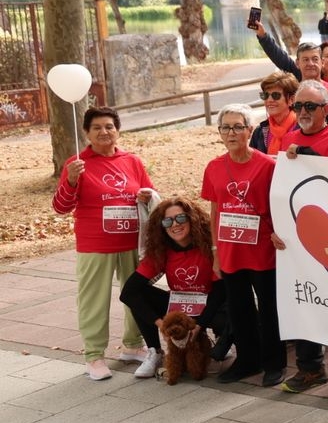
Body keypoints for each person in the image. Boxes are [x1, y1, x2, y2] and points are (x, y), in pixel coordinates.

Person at [52, 107, 155, 380]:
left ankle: (134, 344)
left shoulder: (131, 161)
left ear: (117, 130)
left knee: (137, 294)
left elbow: (151, 195)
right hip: (95, 244)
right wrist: (71, 180)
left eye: (109, 126)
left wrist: (146, 196)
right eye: (96, 127)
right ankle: (94, 355)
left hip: (132, 242)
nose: (104, 132)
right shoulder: (77, 164)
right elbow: (61, 207)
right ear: (86, 132)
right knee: (94, 301)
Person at [275, 81, 328, 395]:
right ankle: (311, 369)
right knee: (304, 301)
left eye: (310, 106)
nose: (303, 112)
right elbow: (280, 188)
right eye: (298, 106)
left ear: (327, 109)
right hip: (299, 238)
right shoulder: (288, 139)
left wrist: (307, 155)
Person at [202, 103, 285, 386]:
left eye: (238, 126)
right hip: (230, 249)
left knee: (270, 308)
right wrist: (214, 251)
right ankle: (248, 361)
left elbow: (281, 206)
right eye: (226, 127)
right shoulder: (214, 167)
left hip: (262, 249)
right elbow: (214, 211)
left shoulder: (268, 165)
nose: (232, 132)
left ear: (250, 130)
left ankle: (275, 362)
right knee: (239, 309)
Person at [120, 197, 227, 379]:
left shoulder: (208, 245)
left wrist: (199, 326)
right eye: (168, 221)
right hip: (179, 308)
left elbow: (220, 292)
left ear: (191, 219)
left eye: (181, 218)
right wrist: (162, 325)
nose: (175, 225)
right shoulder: (161, 250)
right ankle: (155, 351)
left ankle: (221, 339)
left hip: (209, 307)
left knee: (237, 311)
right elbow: (128, 293)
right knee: (139, 295)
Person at [249, 72, 298, 155]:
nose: (269, 100)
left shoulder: (303, 129)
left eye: (276, 95)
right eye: (265, 95)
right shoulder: (259, 132)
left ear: (291, 100)